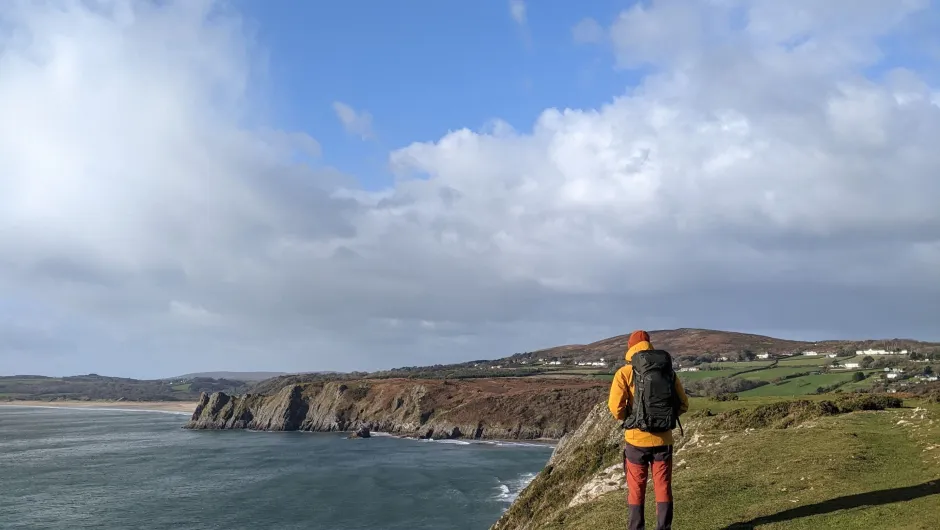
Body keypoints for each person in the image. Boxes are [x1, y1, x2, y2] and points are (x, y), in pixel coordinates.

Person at [608, 330, 689, 530]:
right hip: (663, 441)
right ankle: (663, 527)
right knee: (663, 487)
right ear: (649, 345)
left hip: (636, 441)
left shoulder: (625, 373)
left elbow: (615, 408)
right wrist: (666, 419)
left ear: (630, 348)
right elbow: (684, 404)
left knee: (636, 488)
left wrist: (630, 418)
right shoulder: (667, 371)